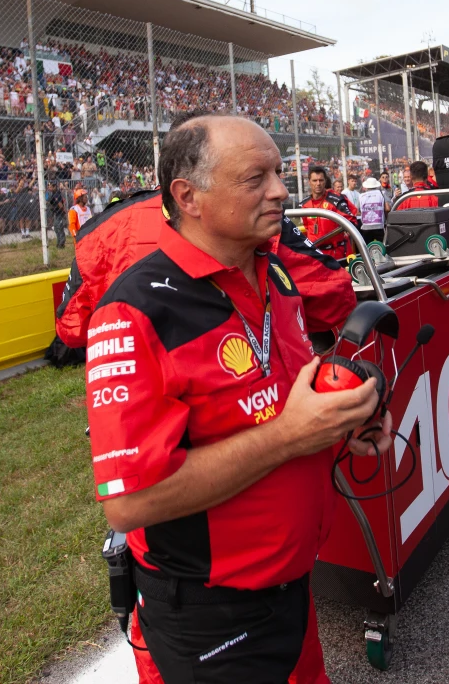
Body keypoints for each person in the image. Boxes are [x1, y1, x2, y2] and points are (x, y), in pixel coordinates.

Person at [84, 115, 386, 683]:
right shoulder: (136, 310)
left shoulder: (277, 275)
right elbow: (131, 504)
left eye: (279, 172)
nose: (281, 190)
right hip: (211, 618)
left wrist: (344, 422)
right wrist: (291, 435)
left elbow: (276, 397)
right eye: (256, 177)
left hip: (294, 587)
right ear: (188, 196)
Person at [298, 164, 360, 260]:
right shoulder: (304, 205)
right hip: (315, 254)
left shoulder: (336, 200)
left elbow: (352, 222)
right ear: (309, 182)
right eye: (315, 180)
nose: (318, 183)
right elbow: (307, 227)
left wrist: (346, 231)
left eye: (321, 180)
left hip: (336, 253)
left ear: (325, 181)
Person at [359, 176, 387, 243]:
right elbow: (387, 208)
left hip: (366, 227)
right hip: (379, 226)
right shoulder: (381, 194)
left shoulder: (361, 196)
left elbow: (358, 211)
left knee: (367, 249)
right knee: (382, 247)